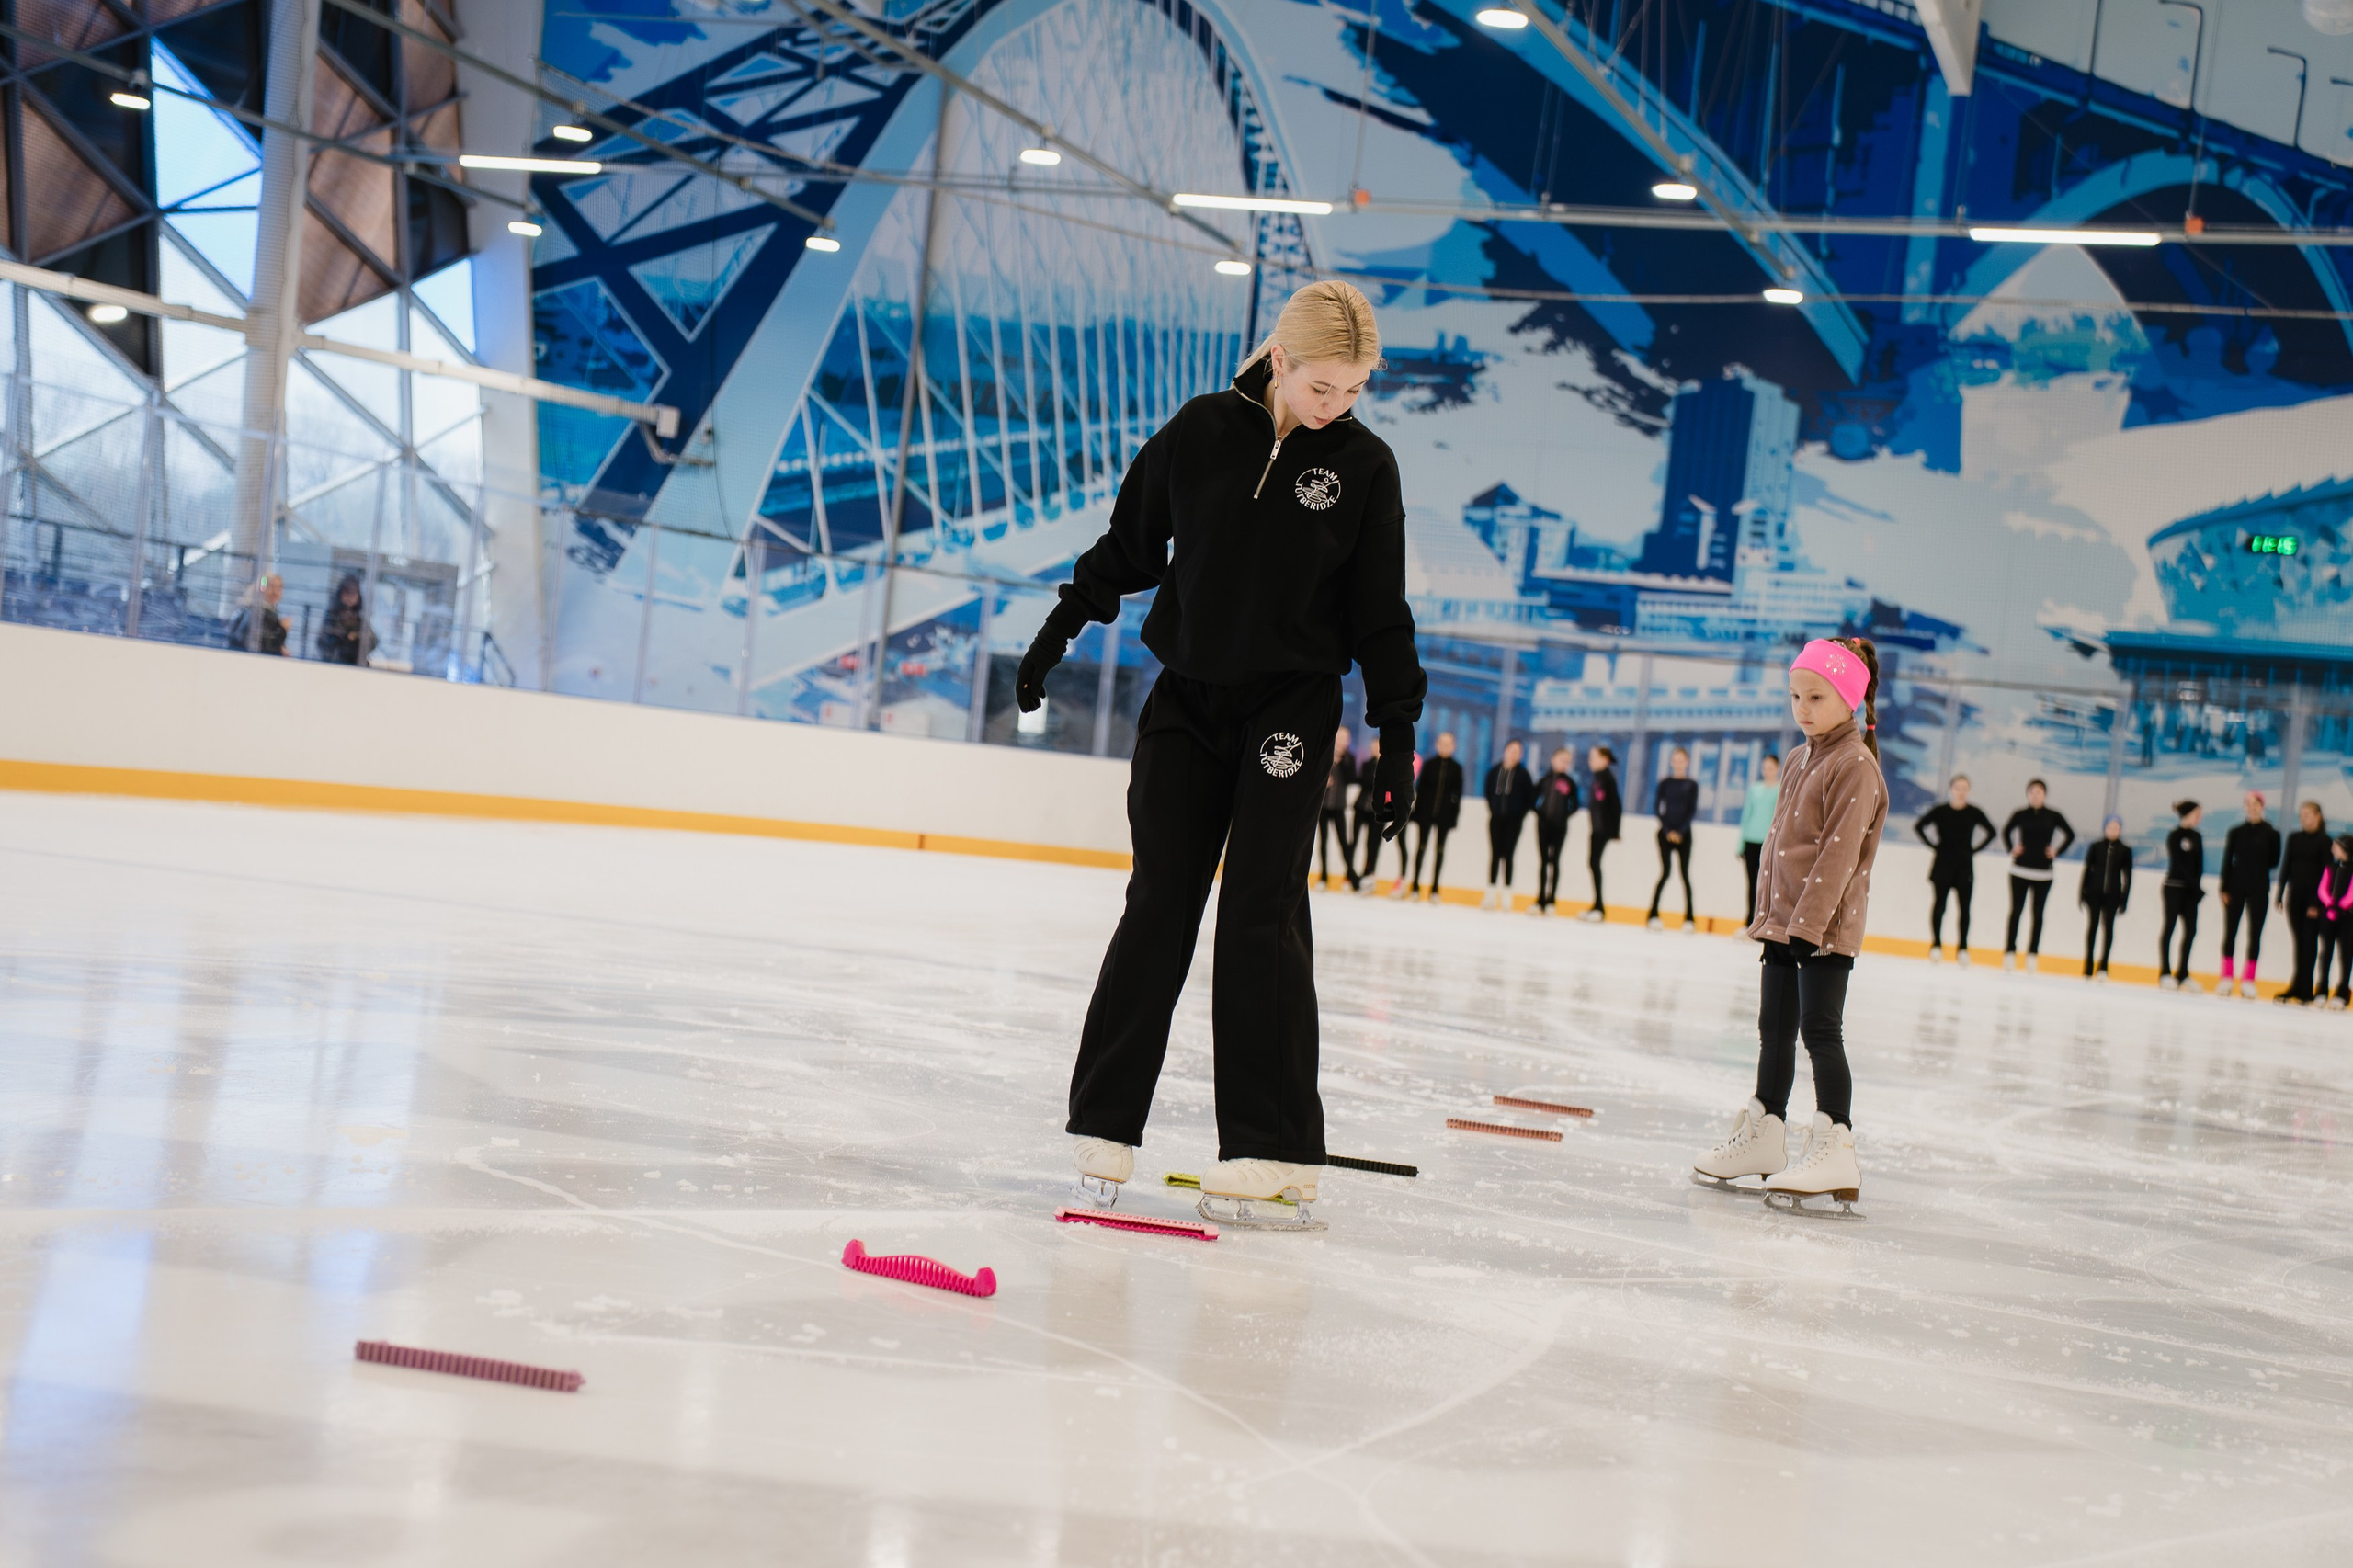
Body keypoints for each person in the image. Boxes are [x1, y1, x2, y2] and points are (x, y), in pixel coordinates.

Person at [1022, 279, 1424, 1231]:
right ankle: (1104, 1124)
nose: (1337, 406)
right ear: (1280, 360)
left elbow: (1379, 610)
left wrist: (1396, 732)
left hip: (1291, 708)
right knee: (1159, 900)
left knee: (1259, 909)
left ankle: (1273, 1150)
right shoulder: (1200, 431)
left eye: (1355, 390)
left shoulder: (1365, 467)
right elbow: (1130, 546)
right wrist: (1059, 627)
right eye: (1322, 387)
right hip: (1188, 701)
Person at [1691, 637, 1887, 1214]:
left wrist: (1807, 926)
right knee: (1773, 1029)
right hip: (1784, 922)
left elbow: (1838, 854)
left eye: (1816, 697)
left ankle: (1835, 1142)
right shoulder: (1801, 759)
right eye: (1795, 696)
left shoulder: (1855, 765)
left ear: (1850, 699)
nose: (1802, 708)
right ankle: (1765, 1128)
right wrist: (1771, 918)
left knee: (1820, 1030)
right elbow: (1780, 842)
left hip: (1822, 927)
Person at [1915, 775, 1995, 965]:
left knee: (1964, 908)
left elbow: (1991, 832)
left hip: (1964, 865)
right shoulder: (1941, 811)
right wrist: (1934, 846)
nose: (1961, 791)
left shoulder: (1974, 812)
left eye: (1964, 788)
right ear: (1952, 789)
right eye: (1958, 787)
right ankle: (1936, 945)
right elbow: (1919, 826)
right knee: (1939, 905)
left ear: (1968, 791)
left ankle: (1963, 948)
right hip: (1943, 863)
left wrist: (1973, 850)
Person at [2002, 780, 2075, 972]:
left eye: (2039, 792)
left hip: (2043, 872)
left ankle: (2032, 954)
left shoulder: (2053, 815)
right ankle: (2010, 952)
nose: (2035, 795)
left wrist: (2056, 851)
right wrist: (2012, 848)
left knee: (2038, 913)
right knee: (2016, 911)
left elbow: (2070, 834)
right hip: (2020, 870)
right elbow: (2006, 831)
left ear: (2045, 794)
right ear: (2027, 794)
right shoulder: (2020, 814)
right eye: (2032, 792)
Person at [2217, 791, 2280, 999]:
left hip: (2259, 888)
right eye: (2248, 803)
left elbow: (2274, 861)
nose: (2252, 807)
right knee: (2230, 932)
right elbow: (2228, 859)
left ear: (2262, 806)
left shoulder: (2272, 833)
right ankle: (2226, 977)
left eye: (2255, 804)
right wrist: (2224, 888)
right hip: (2236, 886)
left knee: (2255, 934)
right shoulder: (2236, 832)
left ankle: (2249, 980)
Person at [2276, 801, 2330, 1005]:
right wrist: (2280, 894)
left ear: (2318, 816)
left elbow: (2327, 873)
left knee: (2309, 942)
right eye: (2301, 815)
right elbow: (2286, 865)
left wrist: (2317, 902)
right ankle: (2297, 985)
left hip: (2313, 900)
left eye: (2308, 814)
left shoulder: (2324, 841)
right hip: (2295, 897)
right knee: (2298, 942)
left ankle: (2307, 988)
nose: (2304, 818)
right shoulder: (2294, 838)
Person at [1402, 730, 1463, 902]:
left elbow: (1457, 796)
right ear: (1437, 745)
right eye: (1442, 743)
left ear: (1454, 746)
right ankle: (1415, 886)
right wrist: (1416, 812)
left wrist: (1454, 817)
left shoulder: (1457, 768)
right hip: (1425, 814)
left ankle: (1435, 889)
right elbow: (1420, 790)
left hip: (1445, 816)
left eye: (1448, 744)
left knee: (1440, 851)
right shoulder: (1429, 765)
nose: (1445, 747)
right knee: (1421, 848)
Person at [1645, 745, 1699, 932]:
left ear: (1687, 762)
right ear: (1671, 762)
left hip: (1684, 835)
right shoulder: (1665, 783)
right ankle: (1652, 914)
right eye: (1675, 760)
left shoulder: (1692, 785)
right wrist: (1668, 831)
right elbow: (1657, 808)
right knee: (1665, 872)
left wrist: (1680, 832)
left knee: (1685, 875)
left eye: (1681, 760)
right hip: (1665, 833)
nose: (1678, 763)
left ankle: (1689, 918)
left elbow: (1691, 810)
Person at [1481, 738, 1535, 910]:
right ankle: (1490, 893)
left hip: (1514, 822)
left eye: (1517, 752)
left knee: (1509, 855)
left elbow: (1529, 799)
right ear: (1505, 751)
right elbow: (1488, 792)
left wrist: (1519, 815)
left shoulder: (1524, 775)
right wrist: (1494, 809)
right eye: (1511, 750)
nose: (1513, 755)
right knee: (1495, 855)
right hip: (1496, 819)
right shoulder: (1494, 771)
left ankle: (1507, 894)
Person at [2158, 801, 2205, 992]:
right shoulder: (2175, 835)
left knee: (2191, 930)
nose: (2199, 818)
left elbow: (2199, 864)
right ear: (2188, 814)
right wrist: (2192, 884)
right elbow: (2177, 864)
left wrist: (2196, 887)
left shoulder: (2197, 836)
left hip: (2190, 891)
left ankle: (2183, 973)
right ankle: (2165, 972)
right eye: (2197, 814)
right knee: (2169, 927)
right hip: (2174, 888)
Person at [2078, 814, 2131, 981]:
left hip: (2113, 896)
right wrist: (2082, 892)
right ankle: (2088, 965)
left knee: (2108, 928)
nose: (2113, 831)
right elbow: (2088, 869)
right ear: (2105, 828)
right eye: (2110, 827)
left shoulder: (2124, 850)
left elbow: (2127, 876)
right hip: (2094, 893)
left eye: (2116, 828)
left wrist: (2124, 898)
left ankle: (2103, 966)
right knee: (2092, 927)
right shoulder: (2096, 847)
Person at [1531, 745, 1580, 915]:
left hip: (1559, 828)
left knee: (1555, 861)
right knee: (1544, 861)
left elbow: (1575, 805)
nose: (1563, 764)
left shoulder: (1570, 783)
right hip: (1543, 826)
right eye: (1561, 760)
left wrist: (1563, 816)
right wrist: (1540, 814)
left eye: (1567, 761)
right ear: (1553, 759)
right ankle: (1540, 899)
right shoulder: (1544, 780)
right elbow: (1533, 799)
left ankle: (1551, 900)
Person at [1580, 744, 1621, 922]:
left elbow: (1615, 805)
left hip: (1603, 829)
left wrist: (1615, 831)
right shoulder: (1598, 778)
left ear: (1604, 760)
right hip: (1596, 828)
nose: (1590, 761)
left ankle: (1599, 907)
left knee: (1594, 863)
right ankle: (1597, 905)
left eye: (1593, 757)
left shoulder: (1607, 779)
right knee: (1593, 864)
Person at [1737, 753, 1779, 922]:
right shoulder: (1754, 789)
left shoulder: (1780, 790)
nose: (1767, 771)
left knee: (1766, 884)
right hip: (1750, 841)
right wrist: (1740, 844)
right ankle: (1749, 920)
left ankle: (1764, 920)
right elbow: (1746, 816)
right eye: (1765, 768)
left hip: (1768, 843)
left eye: (1770, 768)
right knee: (1751, 883)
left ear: (1777, 769)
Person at [1318, 726, 1358, 891]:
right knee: (1323, 841)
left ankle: (1351, 876)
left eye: (1345, 739)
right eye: (1340, 738)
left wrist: (1341, 762)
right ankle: (1323, 876)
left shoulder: (1349, 759)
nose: (1342, 741)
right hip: (1323, 805)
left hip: (1339, 806)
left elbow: (1352, 779)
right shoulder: (1325, 754)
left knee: (1344, 842)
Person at [2316, 835, 2353, 1009]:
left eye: (2336, 846)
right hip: (2329, 916)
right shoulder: (2331, 867)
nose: (2333, 849)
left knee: (2345, 955)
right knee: (2326, 954)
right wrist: (2330, 904)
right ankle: (2322, 991)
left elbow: (2351, 893)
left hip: (2347, 918)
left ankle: (2342, 993)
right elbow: (2323, 889)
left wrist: (2341, 906)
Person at [1350, 733, 1388, 894]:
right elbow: (1364, 782)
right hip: (1361, 806)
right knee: (1354, 841)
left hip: (1379, 811)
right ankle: (1350, 873)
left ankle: (1369, 873)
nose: (1375, 748)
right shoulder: (1366, 764)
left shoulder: (1389, 767)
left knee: (1373, 844)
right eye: (1373, 746)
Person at [316, 572, 375, 665]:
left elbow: (372, 641)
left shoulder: (360, 619)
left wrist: (357, 636)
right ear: (341, 593)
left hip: (356, 666)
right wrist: (346, 639)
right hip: (336, 665)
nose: (350, 596)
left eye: (354, 592)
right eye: (347, 591)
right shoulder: (332, 616)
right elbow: (325, 644)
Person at [228, 572, 290, 655]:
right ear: (262, 588)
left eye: (279, 588)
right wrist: (282, 629)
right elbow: (262, 645)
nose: (275, 592)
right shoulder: (254, 612)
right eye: (271, 586)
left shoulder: (268, 612)